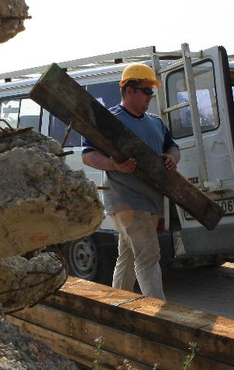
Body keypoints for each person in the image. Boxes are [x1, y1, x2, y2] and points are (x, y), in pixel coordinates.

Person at [81, 63, 180, 300]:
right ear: (128, 90)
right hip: (125, 200)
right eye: (146, 91)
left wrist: (172, 157)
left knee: (127, 258)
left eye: (151, 92)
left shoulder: (156, 122)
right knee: (148, 256)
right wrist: (114, 165)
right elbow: (88, 155)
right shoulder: (108, 121)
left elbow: (172, 146)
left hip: (151, 201)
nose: (150, 97)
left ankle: (117, 306)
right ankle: (161, 316)